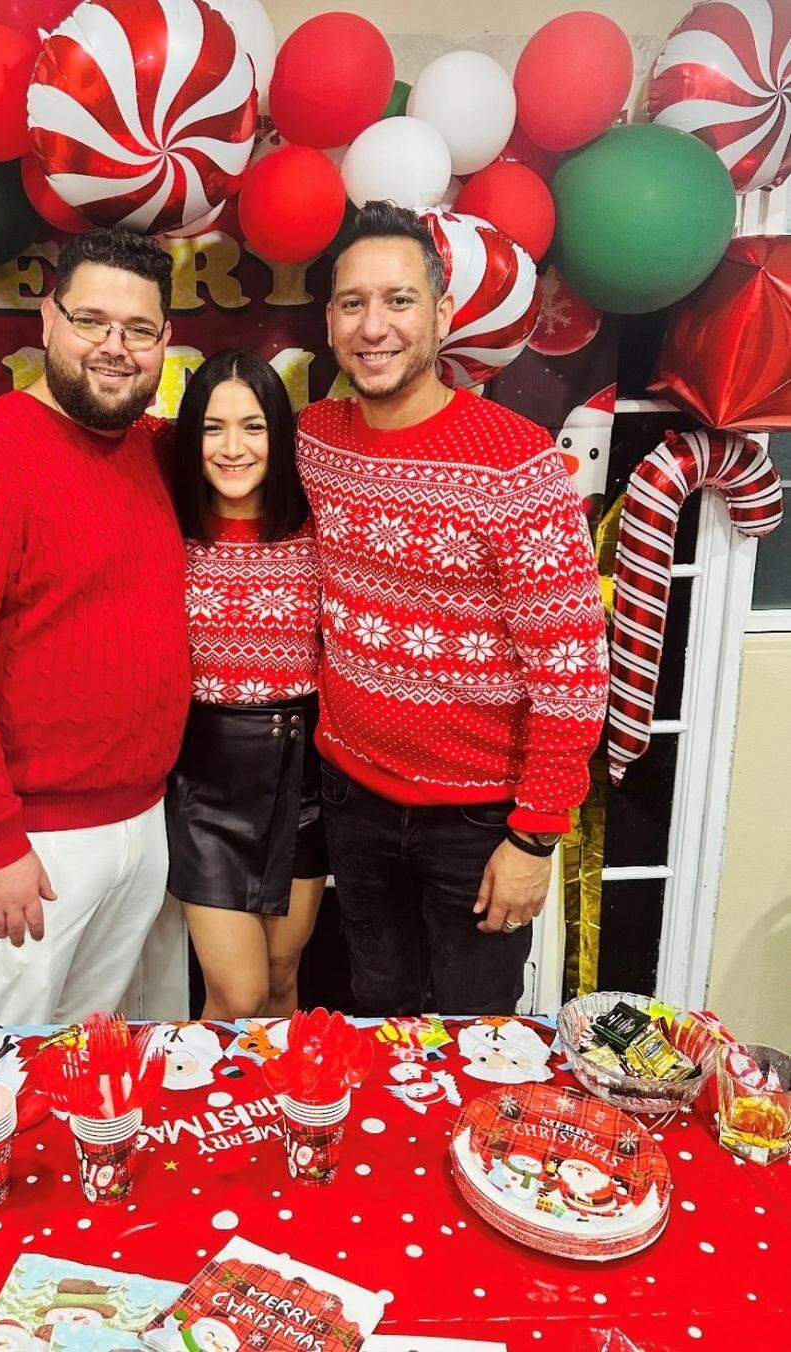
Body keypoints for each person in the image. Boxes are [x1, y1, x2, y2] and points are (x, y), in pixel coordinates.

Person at [297, 200, 608, 1016]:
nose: (375, 326)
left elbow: (571, 671)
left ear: (439, 315)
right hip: (352, 798)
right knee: (377, 1016)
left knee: (475, 1044)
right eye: (353, 303)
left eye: (398, 301)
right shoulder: (314, 439)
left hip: (479, 825)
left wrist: (534, 835)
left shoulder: (516, 462)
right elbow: (206, 452)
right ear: (330, 320)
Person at [0, 227, 189, 1026]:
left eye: (138, 329)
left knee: (106, 1064)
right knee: (8, 1072)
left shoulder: (149, 453)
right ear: (48, 320)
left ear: (166, 342)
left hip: (144, 823)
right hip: (32, 843)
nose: (114, 347)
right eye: (92, 320)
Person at [166, 350, 326, 1019]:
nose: (233, 448)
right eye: (212, 427)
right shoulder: (167, 531)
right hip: (207, 783)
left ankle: (284, 1121)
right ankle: (209, 1117)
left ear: (278, 435)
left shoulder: (317, 530)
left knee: (284, 977)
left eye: (253, 426)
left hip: (303, 779)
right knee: (238, 992)